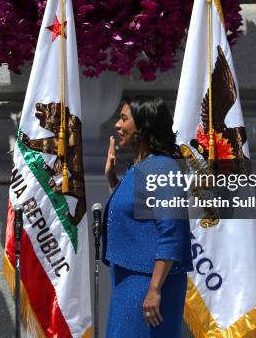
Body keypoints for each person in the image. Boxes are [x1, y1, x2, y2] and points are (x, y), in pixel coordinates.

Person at [103, 95, 193, 337]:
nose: (117, 125)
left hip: (148, 285)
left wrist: (154, 289)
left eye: (124, 119)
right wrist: (112, 179)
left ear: (143, 125)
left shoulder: (162, 168)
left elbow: (172, 232)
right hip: (130, 281)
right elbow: (134, 214)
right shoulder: (141, 167)